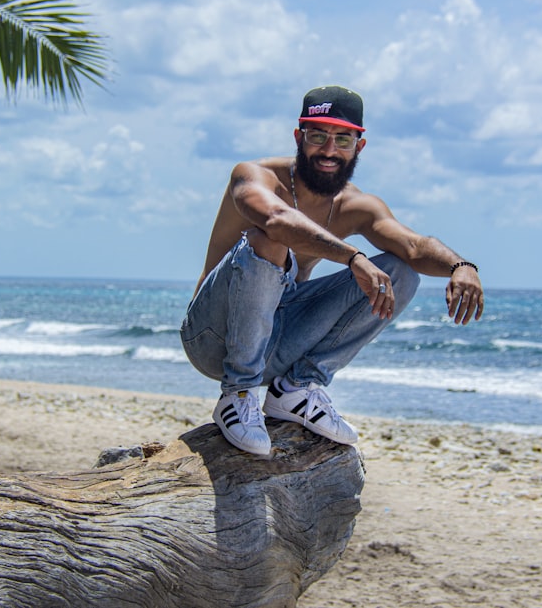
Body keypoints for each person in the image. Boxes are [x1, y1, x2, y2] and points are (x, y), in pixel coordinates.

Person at [180, 85, 484, 456]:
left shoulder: (356, 205)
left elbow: (413, 247)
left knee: (401, 272)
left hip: (276, 343)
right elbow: (276, 220)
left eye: (342, 139)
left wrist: (462, 266)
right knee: (270, 239)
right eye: (318, 136)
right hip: (212, 339)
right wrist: (353, 257)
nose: (329, 150)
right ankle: (238, 394)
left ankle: (296, 390)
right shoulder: (256, 175)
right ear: (299, 137)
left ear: (360, 146)